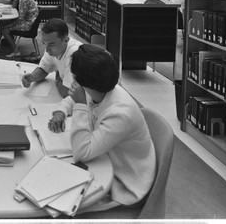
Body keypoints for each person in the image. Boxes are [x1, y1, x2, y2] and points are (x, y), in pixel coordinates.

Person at [48, 44, 157, 212]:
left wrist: (80, 106)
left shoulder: (120, 113)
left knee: (57, 204)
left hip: (124, 183)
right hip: (105, 161)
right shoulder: (101, 88)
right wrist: (61, 111)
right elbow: (76, 97)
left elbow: (81, 153)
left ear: (80, 80)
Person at [21, 18, 82, 97]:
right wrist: (32, 77)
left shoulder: (74, 55)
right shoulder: (52, 48)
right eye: (44, 43)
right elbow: (44, 68)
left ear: (66, 40)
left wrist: (58, 77)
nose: (46, 49)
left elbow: (66, 92)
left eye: (51, 44)